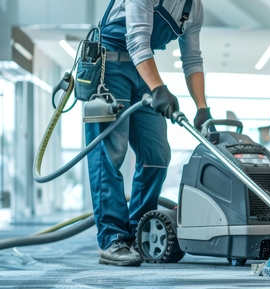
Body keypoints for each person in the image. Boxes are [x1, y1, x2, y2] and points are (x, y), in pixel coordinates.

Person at [88, 0, 213, 267]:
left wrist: (202, 107)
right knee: (111, 152)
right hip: (109, 66)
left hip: (143, 69)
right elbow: (136, 40)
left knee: (157, 154)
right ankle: (112, 239)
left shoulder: (194, 7)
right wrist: (158, 88)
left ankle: (138, 231)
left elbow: (192, 59)